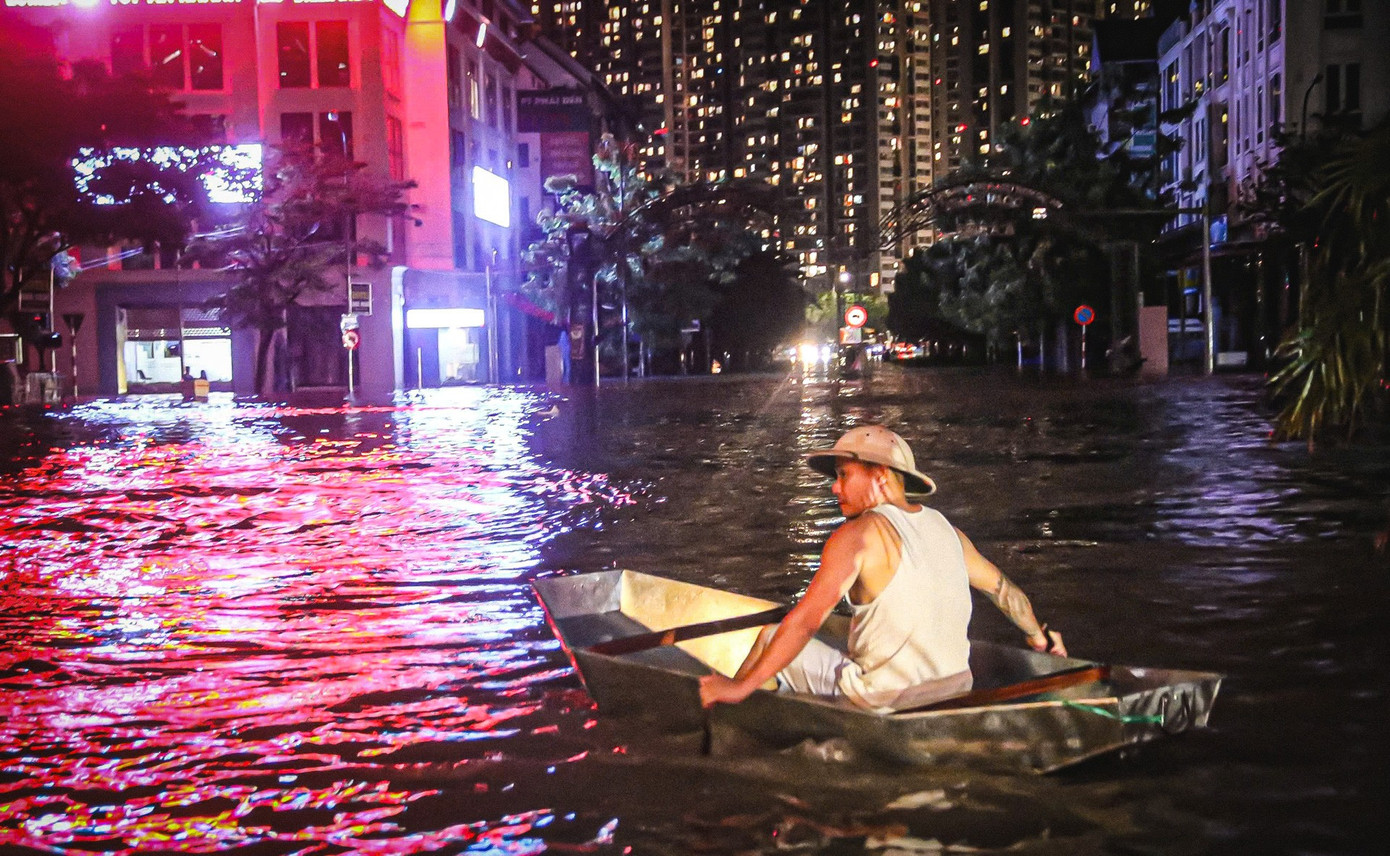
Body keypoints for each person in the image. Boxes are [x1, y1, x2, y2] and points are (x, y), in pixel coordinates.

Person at [699, 425, 1066, 712]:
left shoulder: (855, 534)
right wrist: (1038, 639)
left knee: (768, 637)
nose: (834, 488)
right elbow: (1005, 593)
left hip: (884, 702)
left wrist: (739, 687)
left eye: (844, 475)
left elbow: (805, 622)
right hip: (956, 691)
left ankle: (734, 714)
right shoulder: (950, 533)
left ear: (880, 475)